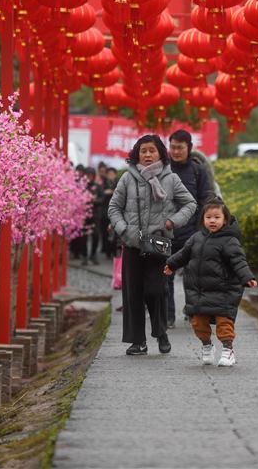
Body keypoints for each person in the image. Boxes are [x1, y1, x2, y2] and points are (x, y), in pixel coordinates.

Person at [108, 135, 197, 356]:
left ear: (160, 153)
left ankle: (160, 332)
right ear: (137, 154)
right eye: (143, 151)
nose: (147, 155)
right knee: (133, 295)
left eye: (152, 151)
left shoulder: (171, 178)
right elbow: (113, 207)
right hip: (132, 245)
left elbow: (190, 203)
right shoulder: (128, 178)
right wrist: (123, 229)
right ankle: (138, 342)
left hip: (158, 245)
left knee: (156, 291)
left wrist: (172, 222)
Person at [164, 198, 258, 367]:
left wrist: (247, 277)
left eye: (217, 217)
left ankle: (228, 350)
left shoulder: (230, 241)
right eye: (208, 217)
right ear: (203, 219)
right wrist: (171, 264)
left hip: (224, 291)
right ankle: (207, 345)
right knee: (198, 323)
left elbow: (239, 261)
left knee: (224, 324)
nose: (212, 221)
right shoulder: (196, 238)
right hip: (199, 291)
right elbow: (183, 254)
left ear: (225, 219)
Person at [166, 129, 213, 327]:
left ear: (189, 148)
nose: (176, 151)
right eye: (173, 147)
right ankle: (167, 316)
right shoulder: (162, 169)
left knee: (192, 277)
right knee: (165, 275)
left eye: (180, 148)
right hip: (165, 232)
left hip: (191, 233)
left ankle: (192, 311)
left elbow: (207, 199)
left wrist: (201, 229)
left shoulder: (198, 170)